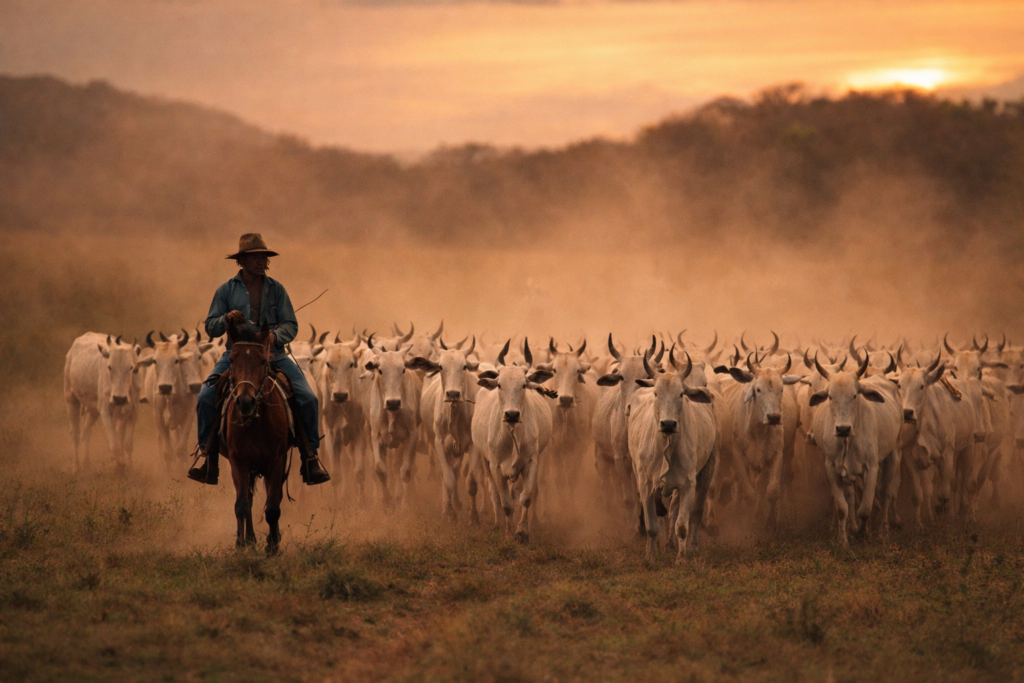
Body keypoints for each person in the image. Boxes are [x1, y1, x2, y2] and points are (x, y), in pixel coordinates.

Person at [187, 233, 330, 486]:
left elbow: (291, 325)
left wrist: (274, 337)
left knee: (308, 398)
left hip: (273, 356)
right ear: (242, 260)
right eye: (255, 257)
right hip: (238, 356)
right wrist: (226, 319)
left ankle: (311, 457)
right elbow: (210, 327)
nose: (261, 261)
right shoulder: (226, 290)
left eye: (263, 256)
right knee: (205, 397)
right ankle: (207, 456)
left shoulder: (277, 289)